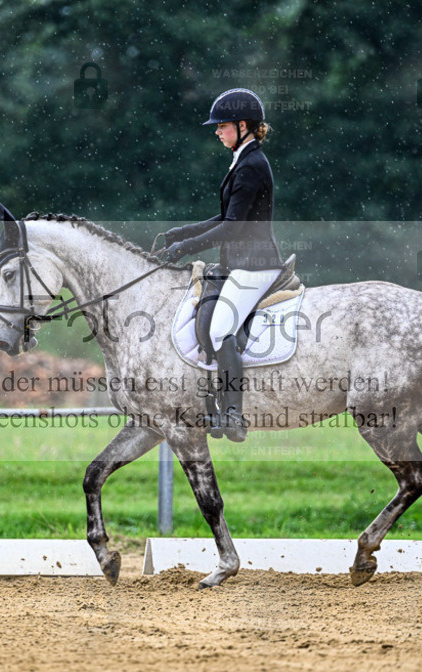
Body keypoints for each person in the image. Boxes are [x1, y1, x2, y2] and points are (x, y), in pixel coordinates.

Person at [162, 88, 284, 442]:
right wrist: (184, 233)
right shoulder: (243, 160)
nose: (217, 131)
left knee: (220, 331)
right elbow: (229, 216)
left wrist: (188, 246)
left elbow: (234, 226)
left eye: (222, 126)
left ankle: (233, 415)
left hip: (255, 265)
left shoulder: (251, 165)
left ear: (243, 125)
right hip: (239, 263)